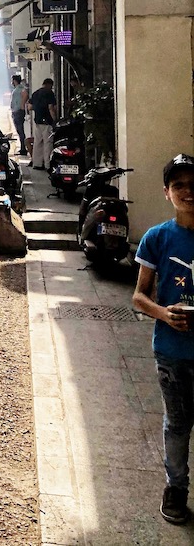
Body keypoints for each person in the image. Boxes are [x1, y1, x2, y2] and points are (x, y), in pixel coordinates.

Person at [132, 154, 194, 525]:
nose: (188, 192)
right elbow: (139, 296)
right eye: (179, 185)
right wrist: (165, 314)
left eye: (193, 184)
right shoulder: (157, 238)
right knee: (177, 423)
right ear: (167, 192)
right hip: (171, 352)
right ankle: (176, 488)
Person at [30, 78, 58, 169]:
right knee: (47, 143)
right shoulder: (49, 93)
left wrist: (38, 109)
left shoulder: (35, 93)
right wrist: (55, 120)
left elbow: (30, 107)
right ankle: (47, 164)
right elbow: (51, 108)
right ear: (49, 85)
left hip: (38, 121)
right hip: (47, 121)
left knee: (37, 142)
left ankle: (37, 163)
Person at [10, 74, 30, 156]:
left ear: (14, 81)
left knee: (20, 130)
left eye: (12, 80)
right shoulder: (16, 89)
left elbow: (25, 94)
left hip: (18, 111)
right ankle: (22, 147)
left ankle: (23, 148)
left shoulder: (20, 88)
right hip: (16, 111)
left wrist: (22, 105)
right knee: (19, 130)